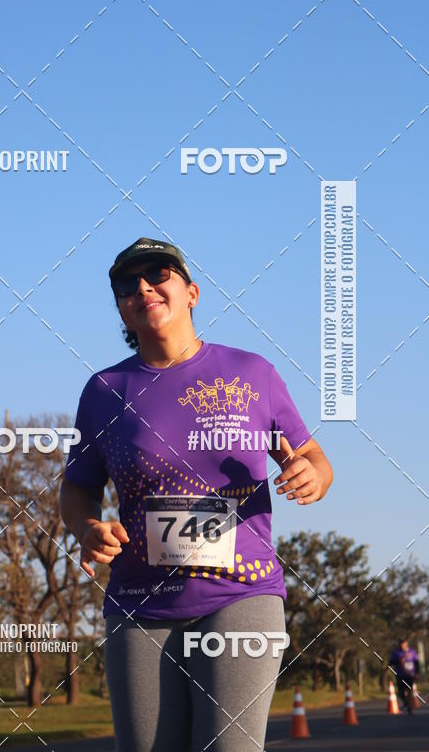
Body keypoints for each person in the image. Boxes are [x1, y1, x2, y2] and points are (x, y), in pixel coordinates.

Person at [59, 237, 333, 751]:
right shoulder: (104, 391)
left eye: (158, 274)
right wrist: (87, 528)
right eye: (127, 284)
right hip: (140, 604)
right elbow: (77, 488)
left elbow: (313, 456)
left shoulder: (252, 374)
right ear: (122, 306)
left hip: (241, 595)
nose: (144, 287)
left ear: (192, 292)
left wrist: (313, 474)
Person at [389, 638, 420, 713]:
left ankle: (409, 707)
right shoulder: (396, 653)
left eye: (404, 644)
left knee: (409, 690)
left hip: (410, 675)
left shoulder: (412, 652)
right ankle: (406, 703)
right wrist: (398, 661)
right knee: (401, 692)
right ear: (399, 645)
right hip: (400, 675)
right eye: (401, 645)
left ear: (407, 644)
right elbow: (390, 662)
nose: (403, 646)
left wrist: (417, 673)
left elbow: (416, 662)